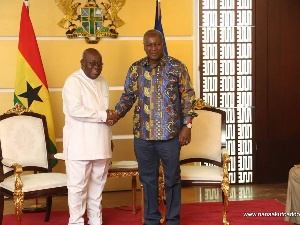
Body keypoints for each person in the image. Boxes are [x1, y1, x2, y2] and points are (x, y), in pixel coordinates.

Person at [113, 29, 196, 225]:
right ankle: (151, 219)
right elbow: (128, 97)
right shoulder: (136, 69)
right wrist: (115, 114)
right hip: (143, 136)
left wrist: (187, 126)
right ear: (144, 46)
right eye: (149, 45)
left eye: (157, 44)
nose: (153, 48)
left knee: (172, 179)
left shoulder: (177, 67)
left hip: (170, 136)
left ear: (162, 44)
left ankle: (173, 219)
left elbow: (188, 98)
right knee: (148, 180)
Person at [62, 48, 118, 225]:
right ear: (82, 63)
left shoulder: (103, 82)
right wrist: (104, 115)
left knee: (97, 189)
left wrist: (109, 137)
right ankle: (76, 222)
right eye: (92, 63)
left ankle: (95, 221)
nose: (96, 67)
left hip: (101, 145)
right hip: (80, 146)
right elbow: (75, 110)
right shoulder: (73, 82)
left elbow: (104, 113)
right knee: (78, 189)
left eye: (99, 64)